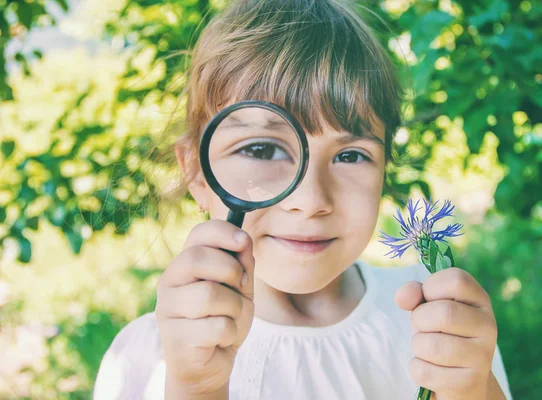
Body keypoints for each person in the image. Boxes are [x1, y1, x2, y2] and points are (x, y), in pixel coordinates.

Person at [93, 1, 513, 399]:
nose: (311, 201)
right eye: (261, 149)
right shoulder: (150, 357)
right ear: (197, 174)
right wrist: (196, 388)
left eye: (350, 156)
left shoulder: (434, 323)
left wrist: (473, 390)